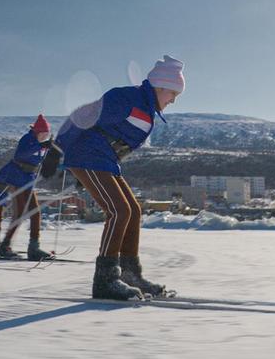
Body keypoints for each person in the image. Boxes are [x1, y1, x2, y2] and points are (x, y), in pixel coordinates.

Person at [42, 56, 185, 299]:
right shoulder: (126, 98)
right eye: (173, 94)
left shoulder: (148, 111)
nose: (173, 100)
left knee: (133, 210)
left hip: (104, 161)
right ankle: (105, 280)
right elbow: (82, 116)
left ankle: (130, 273)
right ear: (160, 86)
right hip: (87, 155)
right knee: (119, 211)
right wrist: (57, 149)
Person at [0, 114, 53, 261]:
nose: (44, 137)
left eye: (47, 134)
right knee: (22, 213)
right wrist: (41, 145)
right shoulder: (28, 139)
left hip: (28, 179)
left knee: (33, 212)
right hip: (16, 177)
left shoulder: (42, 144)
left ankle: (32, 246)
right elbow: (21, 153)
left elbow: (41, 160)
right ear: (37, 132)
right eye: (43, 133)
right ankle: (5, 245)